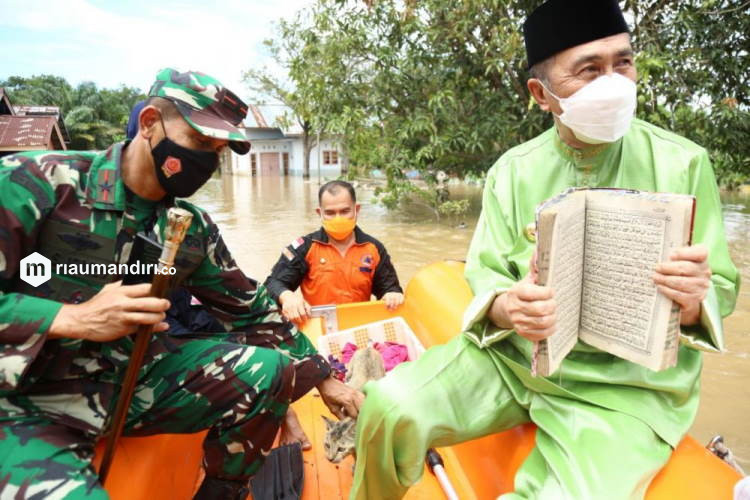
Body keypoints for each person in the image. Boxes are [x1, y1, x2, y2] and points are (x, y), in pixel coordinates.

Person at [349, 1, 739, 499]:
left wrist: (692, 300)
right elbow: (486, 272)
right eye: (589, 70)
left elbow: (721, 287)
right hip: (513, 362)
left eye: (623, 62)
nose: (615, 82)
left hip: (624, 391)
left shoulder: (684, 163)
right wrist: (509, 306)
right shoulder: (512, 171)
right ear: (542, 94)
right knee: (388, 406)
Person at [0, 68, 362, 499]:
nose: (208, 161)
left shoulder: (190, 228)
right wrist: (69, 317)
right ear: (150, 123)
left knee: (271, 370)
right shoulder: (35, 183)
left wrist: (325, 379)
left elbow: (251, 310)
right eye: (200, 143)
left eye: (218, 150)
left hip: (133, 381)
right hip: (27, 398)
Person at [264, 180, 404, 324]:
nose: (338, 218)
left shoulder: (374, 248)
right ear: (320, 213)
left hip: (358, 325)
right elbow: (273, 283)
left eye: (345, 211)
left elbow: (390, 288)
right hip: (317, 326)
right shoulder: (304, 248)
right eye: (330, 213)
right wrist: (287, 296)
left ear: (357, 210)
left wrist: (392, 294)